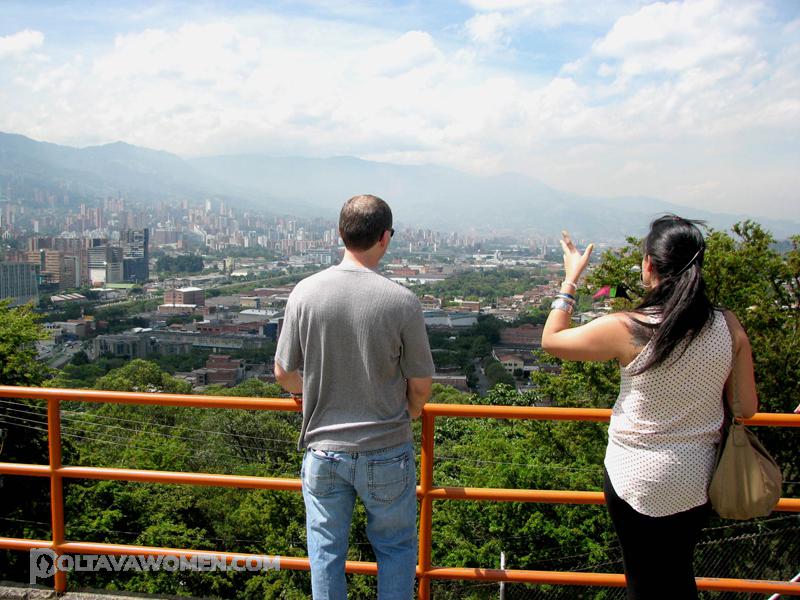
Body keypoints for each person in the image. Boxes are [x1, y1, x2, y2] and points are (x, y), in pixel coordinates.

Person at [541, 216, 758, 600]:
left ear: (649, 266)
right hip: (699, 477)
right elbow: (747, 406)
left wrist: (571, 280)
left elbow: (552, 340)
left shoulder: (630, 326)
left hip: (634, 477)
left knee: (643, 580)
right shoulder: (727, 325)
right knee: (677, 574)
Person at [274, 194, 435, 600]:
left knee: (325, 551)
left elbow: (283, 372)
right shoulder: (401, 301)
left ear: (340, 234)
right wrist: (411, 411)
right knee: (395, 548)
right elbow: (420, 384)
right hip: (386, 447)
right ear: (385, 237)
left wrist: (307, 393)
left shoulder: (305, 293)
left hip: (323, 449)